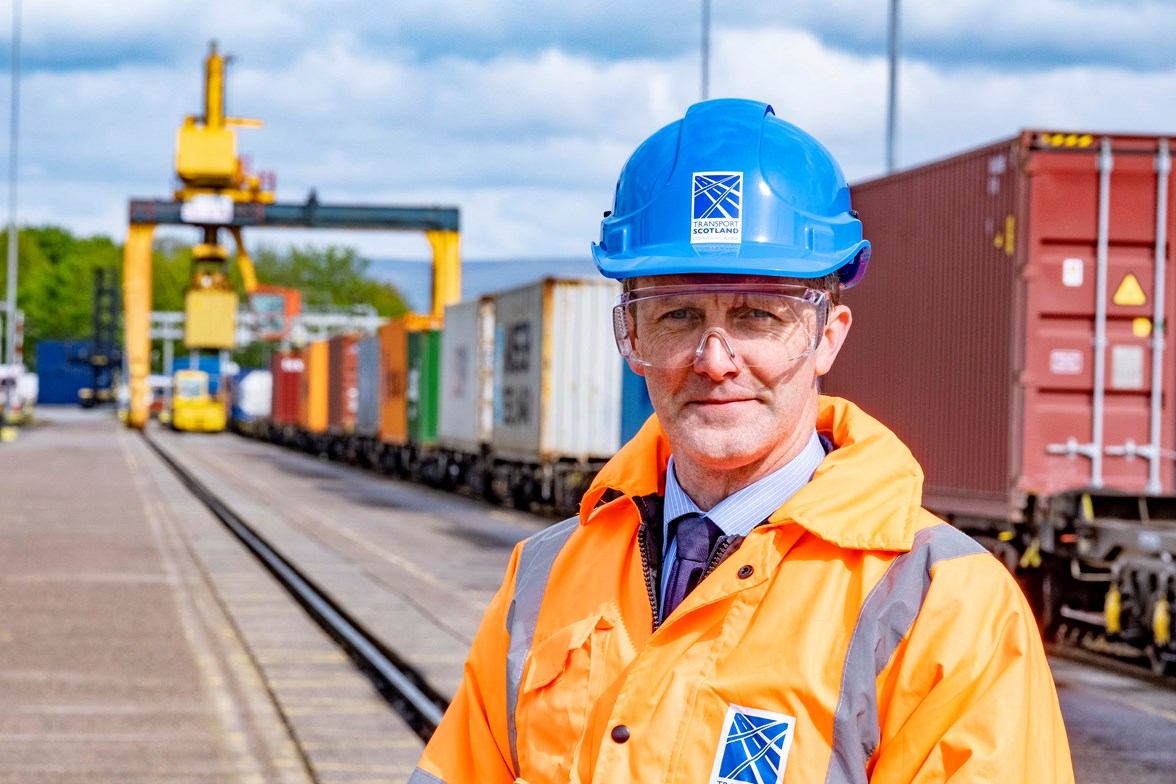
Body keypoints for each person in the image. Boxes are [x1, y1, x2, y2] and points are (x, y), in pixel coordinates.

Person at [410, 98, 1074, 783]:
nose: (716, 359)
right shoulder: (545, 578)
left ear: (828, 337)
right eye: (677, 315)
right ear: (631, 337)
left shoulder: (945, 606)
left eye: (759, 315)